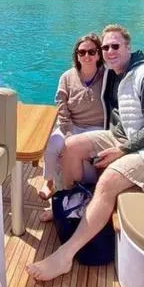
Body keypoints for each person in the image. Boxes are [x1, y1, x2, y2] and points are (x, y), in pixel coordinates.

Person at [26, 24, 144, 282]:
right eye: (106, 47)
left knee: (107, 181)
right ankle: (67, 204)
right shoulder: (116, 73)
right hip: (125, 136)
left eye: (115, 46)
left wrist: (122, 150)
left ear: (128, 47)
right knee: (70, 147)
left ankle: (65, 256)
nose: (109, 51)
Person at [38, 33, 105, 212]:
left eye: (91, 51)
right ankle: (49, 182)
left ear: (99, 54)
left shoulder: (107, 76)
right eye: (82, 52)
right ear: (77, 55)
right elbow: (61, 105)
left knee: (80, 155)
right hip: (71, 125)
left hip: (96, 128)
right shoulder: (67, 77)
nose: (87, 56)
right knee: (52, 145)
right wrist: (67, 132)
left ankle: (82, 192)